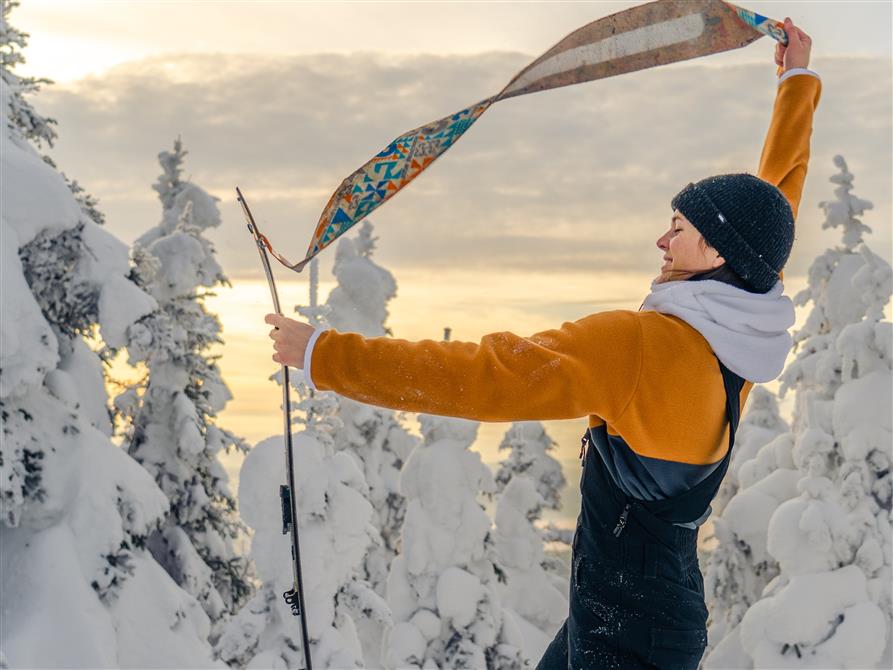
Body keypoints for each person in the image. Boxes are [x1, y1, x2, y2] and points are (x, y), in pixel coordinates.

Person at [265, 17, 819, 670]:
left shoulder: (642, 346)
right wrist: (795, 82)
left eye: (677, 227)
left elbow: (484, 375)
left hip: (624, 641)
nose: (661, 241)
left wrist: (324, 356)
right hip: (645, 617)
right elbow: (773, 203)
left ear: (717, 250)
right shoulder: (740, 331)